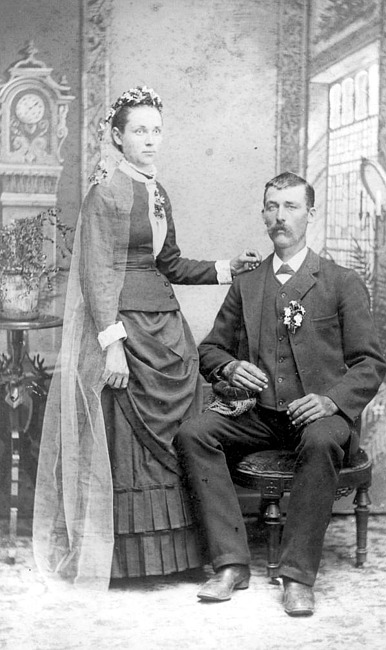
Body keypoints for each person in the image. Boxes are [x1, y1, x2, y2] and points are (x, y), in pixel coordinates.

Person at [32, 86, 260, 590]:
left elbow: (170, 263)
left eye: (156, 130)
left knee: (184, 434)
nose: (151, 140)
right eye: (140, 130)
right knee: (132, 441)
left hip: (168, 329)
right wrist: (111, 342)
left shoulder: (158, 191)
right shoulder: (106, 191)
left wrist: (228, 267)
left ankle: (183, 556)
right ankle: (130, 563)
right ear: (117, 136)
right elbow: (95, 271)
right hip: (128, 332)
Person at [175, 171, 386, 616]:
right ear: (263, 215)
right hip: (259, 414)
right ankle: (231, 564)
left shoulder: (339, 281)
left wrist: (331, 401)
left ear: (311, 214)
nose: (280, 216)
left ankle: (296, 576)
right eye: (272, 207)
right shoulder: (248, 283)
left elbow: (370, 362)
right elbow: (210, 349)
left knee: (323, 437)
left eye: (290, 206)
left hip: (318, 417)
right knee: (195, 433)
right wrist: (231, 365)